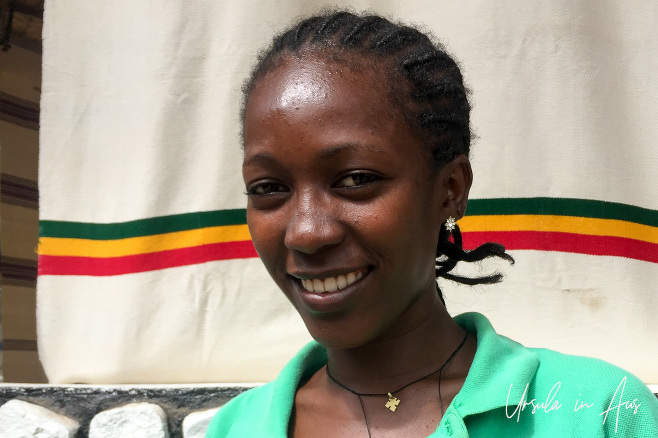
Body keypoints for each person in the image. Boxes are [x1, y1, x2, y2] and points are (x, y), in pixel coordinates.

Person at [206, 10, 658, 437]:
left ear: (450, 190)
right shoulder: (234, 428)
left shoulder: (596, 412)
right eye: (267, 188)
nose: (305, 231)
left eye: (356, 179)